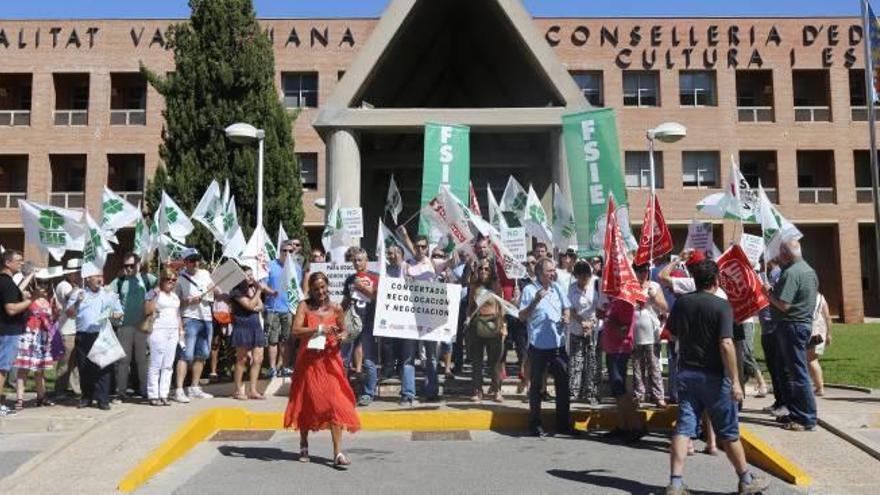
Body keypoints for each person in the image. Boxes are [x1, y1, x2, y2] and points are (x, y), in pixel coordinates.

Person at [666, 258, 768, 495]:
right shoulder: (722, 307)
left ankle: (675, 482)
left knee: (683, 428)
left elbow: (672, 333)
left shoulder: (682, 303)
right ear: (716, 280)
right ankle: (745, 479)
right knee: (729, 432)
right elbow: (726, 344)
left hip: (686, 373)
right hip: (714, 376)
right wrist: (735, 380)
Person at [285, 271, 360, 467]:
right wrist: (318, 329)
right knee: (306, 402)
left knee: (335, 404)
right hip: (308, 362)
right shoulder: (305, 306)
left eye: (323, 287)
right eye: (316, 288)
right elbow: (295, 331)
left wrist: (343, 336)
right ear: (310, 289)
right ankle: (303, 443)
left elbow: (344, 330)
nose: (320, 291)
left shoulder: (335, 308)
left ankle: (337, 453)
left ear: (328, 286)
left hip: (330, 362)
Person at [764, 240, 819, 432]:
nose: (778, 256)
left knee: (797, 374)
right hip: (801, 324)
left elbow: (784, 305)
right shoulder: (808, 270)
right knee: (792, 372)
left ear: (787, 254)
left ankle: (806, 417)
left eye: (780, 253)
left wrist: (768, 293)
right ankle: (796, 412)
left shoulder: (791, 273)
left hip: (792, 325)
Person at [518, 258, 577, 437]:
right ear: (539, 273)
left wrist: (566, 317)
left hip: (557, 345)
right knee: (536, 386)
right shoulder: (529, 290)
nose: (553, 273)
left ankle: (563, 424)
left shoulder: (557, 287)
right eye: (549, 271)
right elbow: (521, 316)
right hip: (538, 345)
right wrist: (535, 301)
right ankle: (535, 424)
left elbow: (567, 308)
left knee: (563, 385)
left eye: (553, 270)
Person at [68, 270, 123, 411]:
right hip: (83, 335)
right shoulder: (79, 293)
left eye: (101, 276)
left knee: (103, 368)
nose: (100, 279)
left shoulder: (108, 294)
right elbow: (70, 314)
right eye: (97, 276)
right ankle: (86, 397)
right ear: (88, 279)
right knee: (84, 367)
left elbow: (119, 312)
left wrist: (114, 314)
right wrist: (77, 302)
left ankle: (103, 399)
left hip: (101, 334)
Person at [110, 252, 156, 401]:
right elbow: (107, 294)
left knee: (142, 361)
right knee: (123, 361)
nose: (128, 269)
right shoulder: (119, 281)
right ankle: (121, 391)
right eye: (125, 266)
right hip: (124, 326)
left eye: (131, 265)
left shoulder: (147, 279)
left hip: (142, 326)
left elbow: (164, 285)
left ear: (137, 264)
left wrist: (154, 297)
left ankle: (144, 390)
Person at [174, 248, 217, 403]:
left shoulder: (205, 274)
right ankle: (179, 389)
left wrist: (217, 289)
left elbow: (214, 288)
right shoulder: (179, 279)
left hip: (206, 318)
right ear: (185, 262)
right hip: (189, 318)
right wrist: (188, 301)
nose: (195, 263)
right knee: (186, 354)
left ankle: (194, 387)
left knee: (202, 354)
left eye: (197, 259)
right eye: (192, 260)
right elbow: (174, 301)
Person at [341, 248, 379, 406]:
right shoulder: (349, 279)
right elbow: (345, 301)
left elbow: (377, 296)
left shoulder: (375, 277)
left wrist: (361, 287)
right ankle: (342, 391)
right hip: (351, 323)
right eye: (355, 260)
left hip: (368, 322)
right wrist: (337, 317)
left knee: (368, 361)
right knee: (344, 359)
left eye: (360, 260)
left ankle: (368, 393)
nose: (357, 263)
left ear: (366, 261)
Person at [466, 258, 507, 403]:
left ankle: (497, 390)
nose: (483, 271)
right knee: (476, 361)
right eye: (480, 269)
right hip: (477, 325)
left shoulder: (496, 286)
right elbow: (470, 306)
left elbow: (501, 308)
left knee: (495, 361)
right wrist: (468, 318)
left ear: (491, 271)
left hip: (494, 324)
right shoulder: (474, 286)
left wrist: (503, 326)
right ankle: (478, 390)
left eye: (486, 269)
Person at [13, 279, 56, 409]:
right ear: (34, 284)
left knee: (39, 371)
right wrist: (31, 276)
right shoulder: (28, 296)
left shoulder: (49, 300)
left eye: (46, 284)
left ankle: (41, 397)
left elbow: (53, 318)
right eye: (41, 283)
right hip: (29, 335)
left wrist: (55, 311)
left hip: (42, 337)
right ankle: (20, 399)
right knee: (23, 370)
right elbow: (18, 289)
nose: (43, 286)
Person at [1, 250, 34, 416]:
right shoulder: (6, 283)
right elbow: (11, 309)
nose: (22, 263)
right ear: (8, 263)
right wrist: (29, 301)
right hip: (8, 331)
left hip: (6, 330)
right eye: (19, 260)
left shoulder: (7, 282)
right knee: (3, 369)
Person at [631, 263, 668, 408]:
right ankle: (639, 395)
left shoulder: (654, 286)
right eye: (640, 271)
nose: (643, 273)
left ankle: (658, 395)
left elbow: (665, 307)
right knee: (637, 367)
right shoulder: (630, 286)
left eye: (645, 270)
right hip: (636, 333)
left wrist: (654, 299)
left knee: (654, 365)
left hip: (652, 333)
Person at [144, 268, 183, 406]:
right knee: (156, 363)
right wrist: (154, 295)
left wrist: (181, 331)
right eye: (168, 279)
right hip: (158, 330)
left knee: (168, 364)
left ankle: (164, 394)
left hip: (172, 331)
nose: (171, 282)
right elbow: (147, 310)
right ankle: (153, 394)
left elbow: (177, 314)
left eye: (174, 280)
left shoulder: (175, 297)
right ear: (162, 279)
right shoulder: (154, 293)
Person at [262, 239, 300, 378]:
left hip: (289, 309)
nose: (287, 253)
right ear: (280, 251)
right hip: (272, 308)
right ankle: (272, 368)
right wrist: (271, 292)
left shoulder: (296, 268)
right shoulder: (270, 265)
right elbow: (262, 285)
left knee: (286, 340)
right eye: (284, 250)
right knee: (272, 340)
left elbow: (298, 289)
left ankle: (284, 367)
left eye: (291, 251)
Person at [229, 265, 267, 400]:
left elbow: (260, 306)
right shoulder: (236, 292)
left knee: (258, 359)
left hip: (256, 326)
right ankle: (238, 390)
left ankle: (253, 390)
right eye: (247, 275)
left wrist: (255, 298)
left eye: (252, 274)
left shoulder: (252, 289)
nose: (251, 277)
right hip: (242, 327)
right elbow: (251, 306)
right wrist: (258, 293)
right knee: (242, 359)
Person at [567, 260, 601, 405]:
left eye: (585, 276)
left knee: (592, 361)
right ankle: (574, 392)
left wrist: (591, 323)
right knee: (576, 360)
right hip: (577, 328)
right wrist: (582, 322)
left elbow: (600, 307)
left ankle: (591, 392)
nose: (583, 280)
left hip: (593, 328)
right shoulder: (572, 288)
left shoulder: (596, 285)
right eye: (580, 277)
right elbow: (570, 309)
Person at [53, 259, 82, 399]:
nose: (78, 275)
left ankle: (76, 389)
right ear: (69, 274)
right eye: (76, 272)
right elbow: (70, 297)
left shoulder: (76, 285)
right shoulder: (63, 285)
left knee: (75, 362)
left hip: (76, 328)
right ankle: (59, 389)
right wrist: (78, 288)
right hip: (66, 329)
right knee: (65, 361)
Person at [808, 292, 832, 397]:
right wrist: (829, 334)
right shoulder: (821, 297)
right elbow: (827, 316)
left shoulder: (805, 295)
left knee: (811, 360)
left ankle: (819, 387)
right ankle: (818, 386)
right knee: (813, 359)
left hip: (811, 330)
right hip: (821, 330)